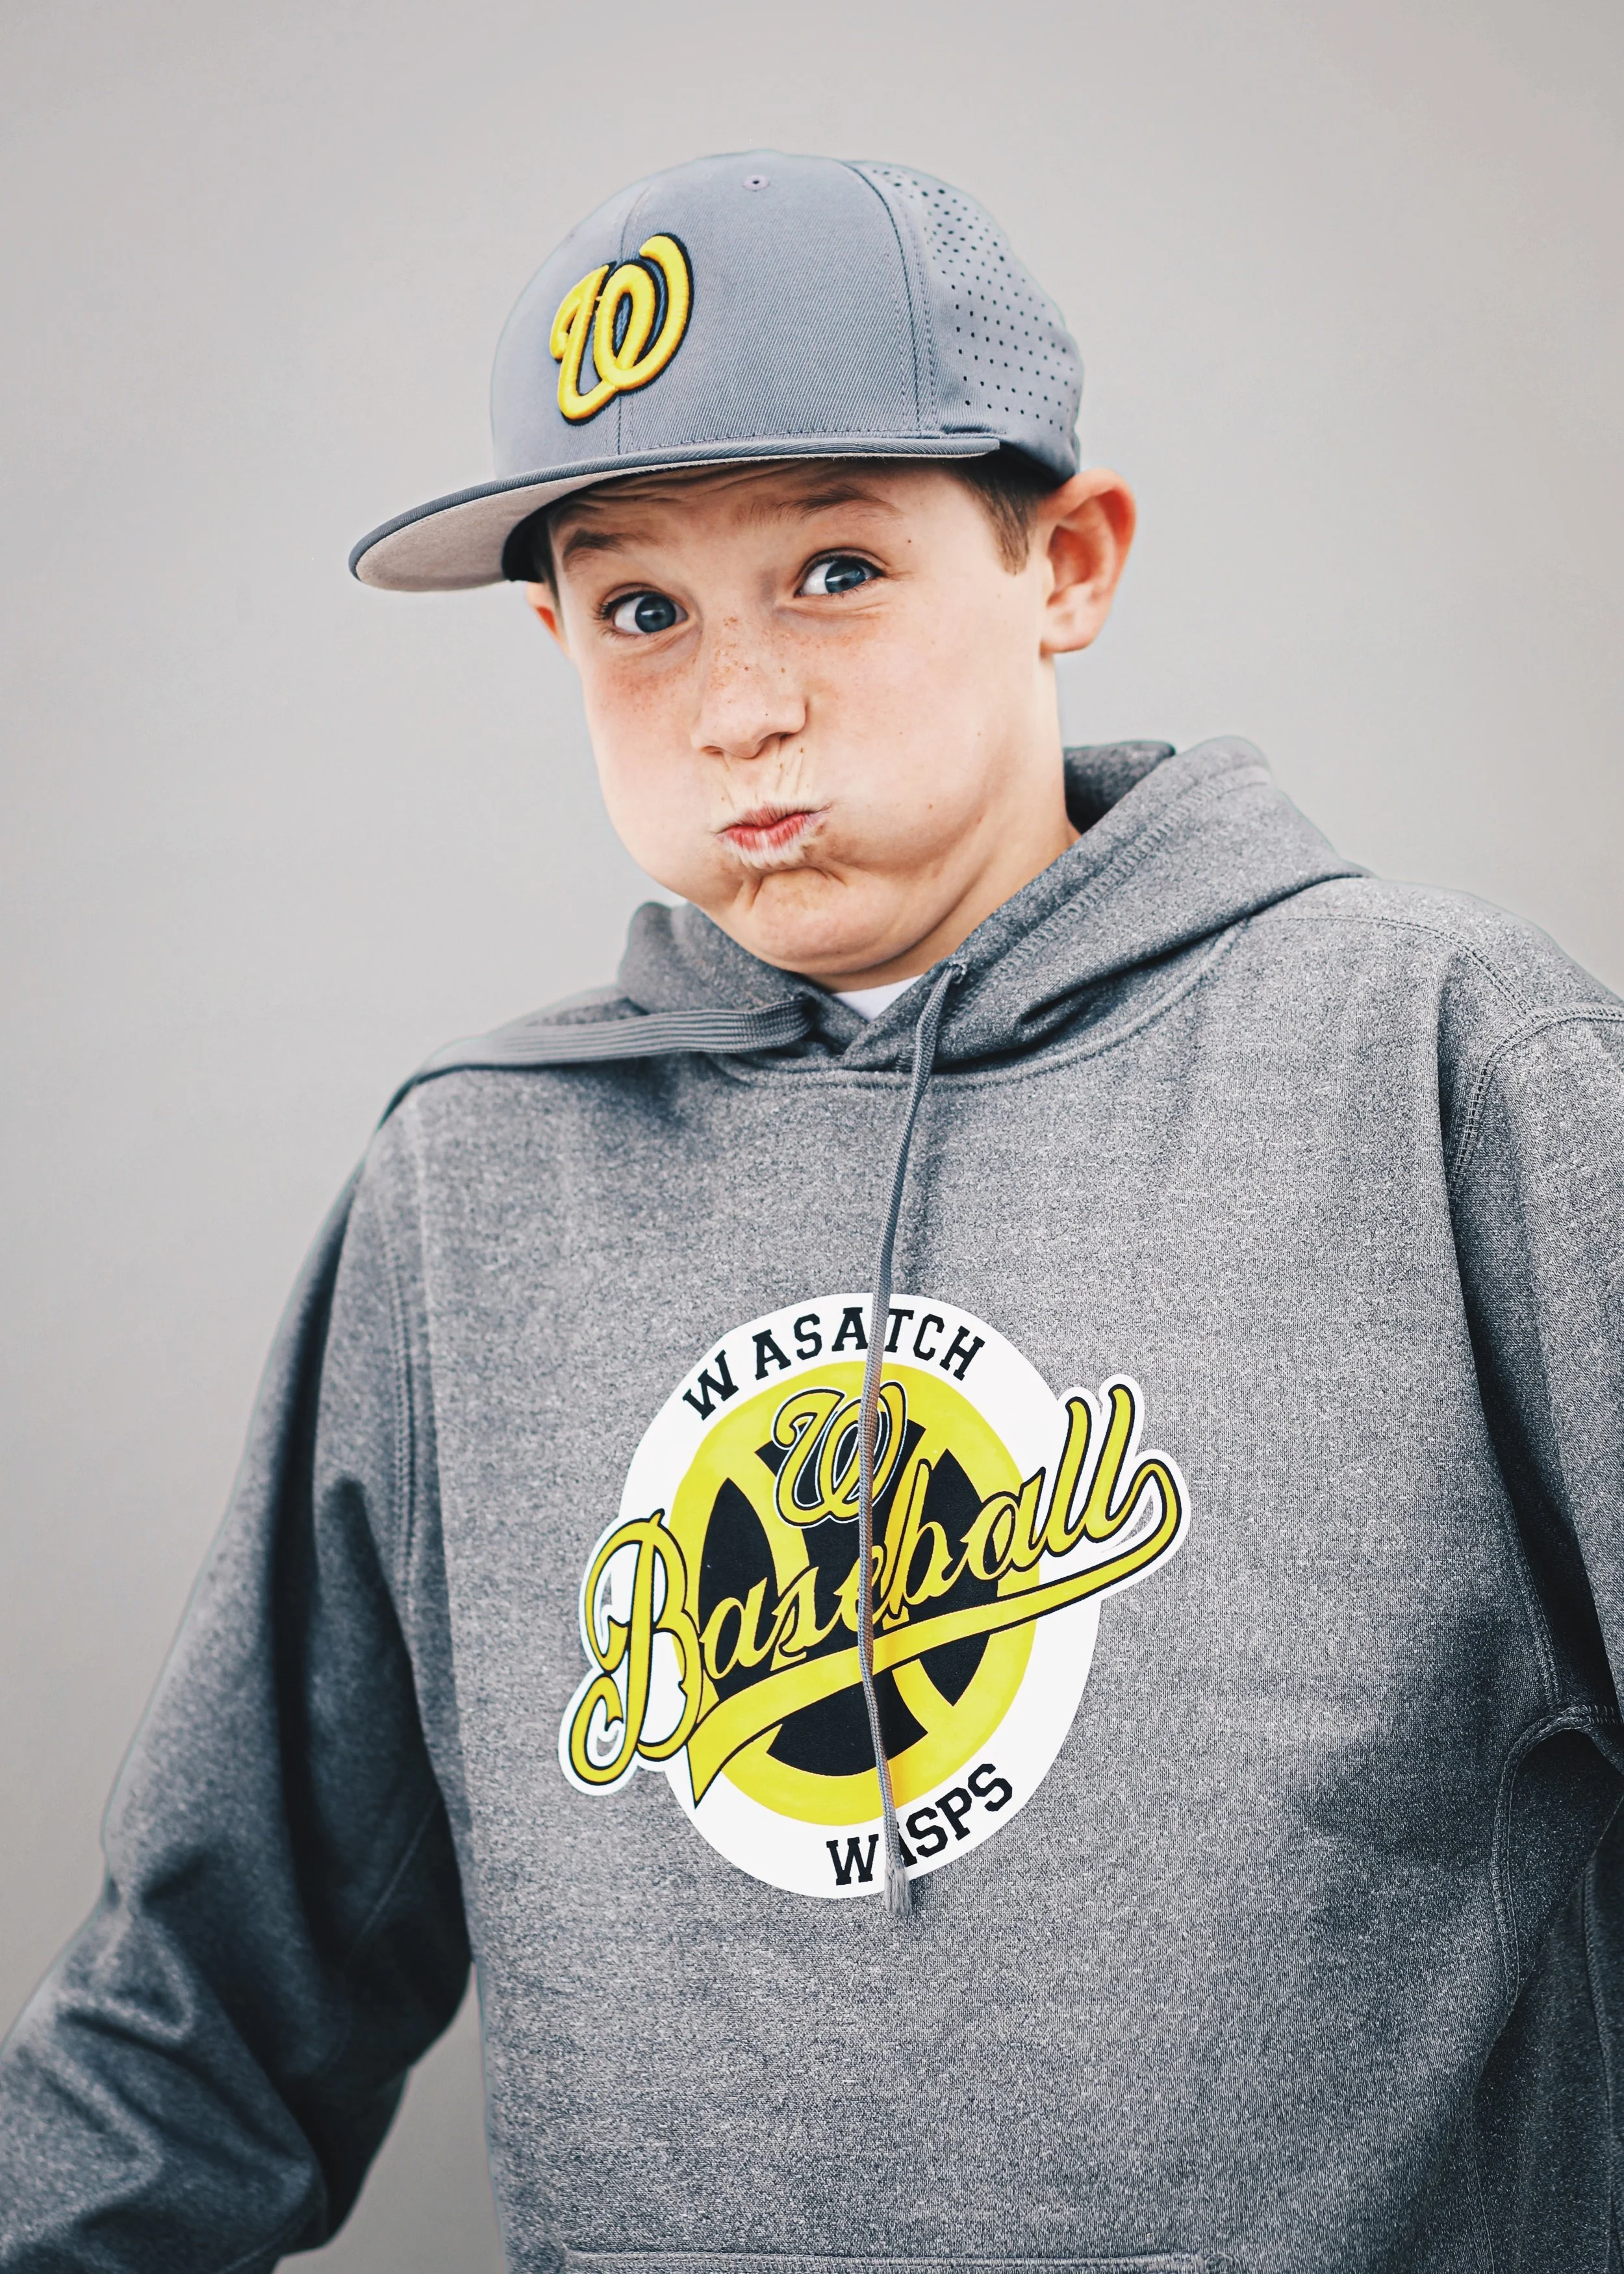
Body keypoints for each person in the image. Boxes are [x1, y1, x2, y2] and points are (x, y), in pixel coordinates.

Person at [3, 147, 1623, 2274]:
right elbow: (197, 2024)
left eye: (836, 570)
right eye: (639, 610)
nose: (736, 705)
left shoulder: (1440, 1058)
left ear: (1066, 559)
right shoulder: (471, 1187)